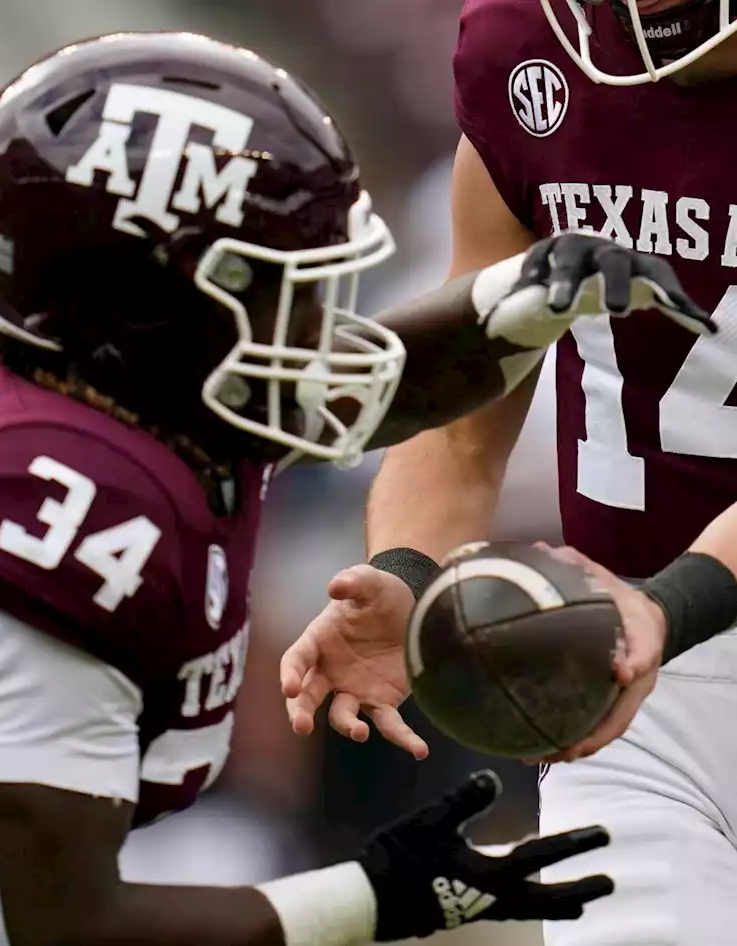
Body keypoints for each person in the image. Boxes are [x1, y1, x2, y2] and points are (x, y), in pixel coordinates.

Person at [0, 30, 707, 946]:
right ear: (151, 294)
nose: (306, 326)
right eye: (262, 283)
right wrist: (375, 895)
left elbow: (362, 383)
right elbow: (58, 925)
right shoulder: (57, 505)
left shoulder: (100, 381)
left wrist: (526, 301)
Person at [281, 3, 737, 944]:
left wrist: (670, 604)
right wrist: (406, 574)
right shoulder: (522, 48)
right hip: (632, 691)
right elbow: (465, 409)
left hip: (652, 622)